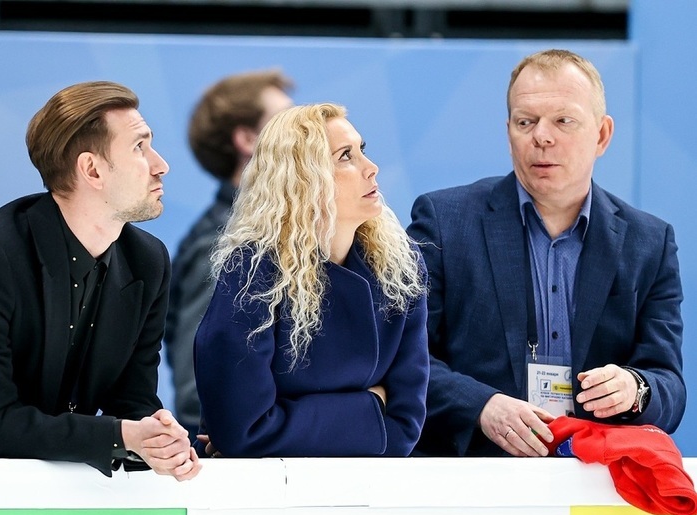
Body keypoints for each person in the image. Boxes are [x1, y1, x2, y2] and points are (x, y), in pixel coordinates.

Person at [407, 49, 686, 458]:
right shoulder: (445, 222)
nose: (542, 137)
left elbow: (669, 385)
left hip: (592, 475)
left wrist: (635, 388)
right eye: (526, 122)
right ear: (509, 133)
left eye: (563, 121)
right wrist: (482, 406)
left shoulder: (649, 242)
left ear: (602, 135)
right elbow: (406, 359)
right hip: (473, 471)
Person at [0, 81, 201, 480]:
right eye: (140, 147)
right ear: (92, 170)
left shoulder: (147, 261)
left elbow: (132, 398)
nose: (161, 165)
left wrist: (159, 439)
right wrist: (121, 436)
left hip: (64, 491)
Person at [193, 103, 429, 458]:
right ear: (303, 180)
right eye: (346, 156)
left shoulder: (400, 269)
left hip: (366, 485)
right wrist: (371, 407)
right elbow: (243, 431)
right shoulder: (251, 272)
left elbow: (403, 429)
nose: (371, 168)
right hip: (268, 487)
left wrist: (286, 422)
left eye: (362, 150)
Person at [165, 69, 294, 438]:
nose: (308, 136)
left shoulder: (283, 231)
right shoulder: (222, 244)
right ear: (248, 139)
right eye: (286, 123)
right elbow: (198, 389)